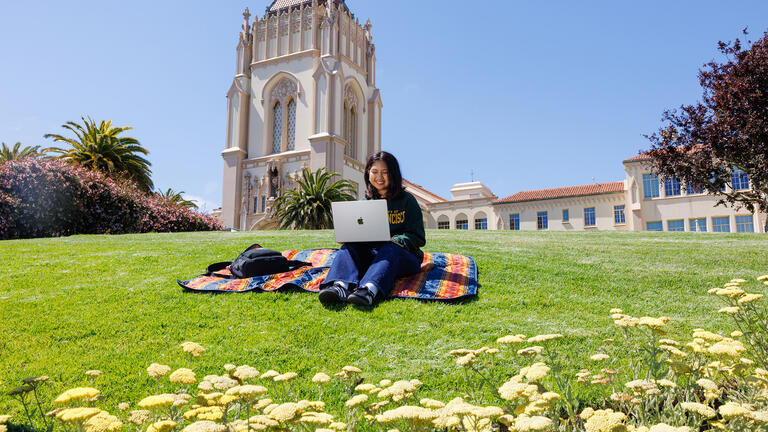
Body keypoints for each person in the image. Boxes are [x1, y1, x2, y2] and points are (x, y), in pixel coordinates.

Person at [318, 151, 425, 306]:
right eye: (374, 172)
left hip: (404, 258)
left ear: (393, 174)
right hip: (374, 257)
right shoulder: (365, 202)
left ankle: (368, 290)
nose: (379, 177)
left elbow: (418, 238)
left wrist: (394, 240)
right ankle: (339, 286)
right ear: (368, 174)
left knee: (390, 248)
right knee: (349, 247)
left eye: (385, 172)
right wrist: (350, 236)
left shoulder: (408, 201)